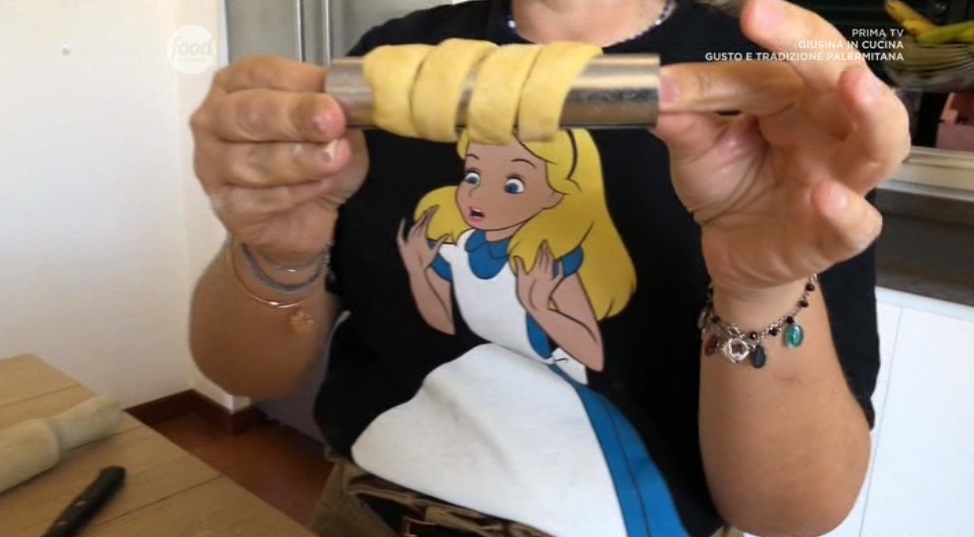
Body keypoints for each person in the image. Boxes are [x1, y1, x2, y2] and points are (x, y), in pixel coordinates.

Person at [188, 0, 911, 535]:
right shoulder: (392, 64)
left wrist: (759, 288)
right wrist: (277, 249)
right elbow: (247, 371)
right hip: (367, 514)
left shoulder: (771, 96)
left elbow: (794, 511)